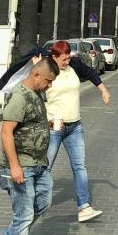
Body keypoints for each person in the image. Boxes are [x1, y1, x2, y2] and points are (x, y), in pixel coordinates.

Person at [0, 56, 59, 235]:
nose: (49, 86)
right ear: (36, 74)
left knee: (44, 202)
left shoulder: (37, 94)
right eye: (48, 81)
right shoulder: (19, 96)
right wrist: (14, 166)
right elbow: (6, 132)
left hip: (39, 163)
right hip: (21, 164)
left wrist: (45, 126)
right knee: (24, 214)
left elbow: (29, 123)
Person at [46, 40, 111, 222]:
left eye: (68, 58)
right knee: (46, 167)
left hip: (75, 126)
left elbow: (90, 73)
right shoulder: (46, 69)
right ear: (54, 57)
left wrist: (103, 90)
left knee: (79, 166)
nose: (66, 62)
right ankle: (35, 200)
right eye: (63, 59)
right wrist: (47, 119)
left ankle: (84, 207)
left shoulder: (74, 65)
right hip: (54, 127)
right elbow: (36, 94)